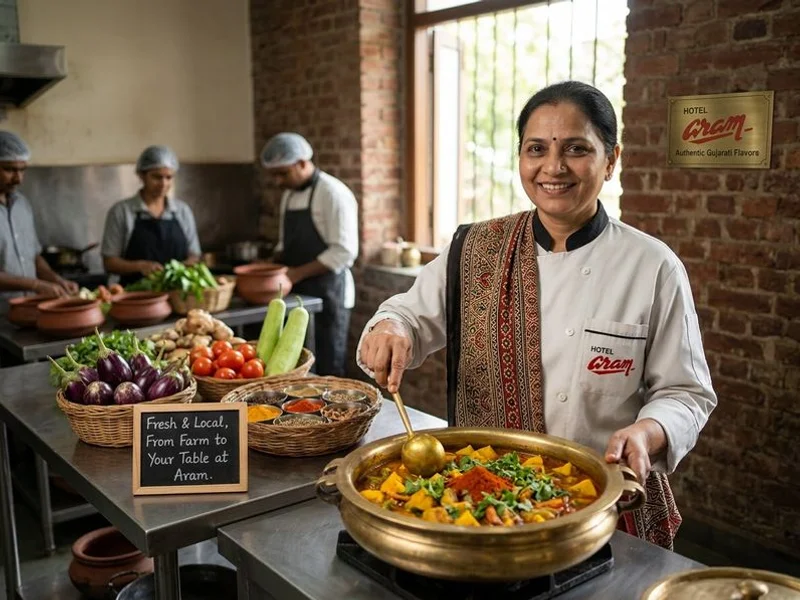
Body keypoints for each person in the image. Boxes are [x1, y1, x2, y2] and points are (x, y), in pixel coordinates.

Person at [357, 81, 717, 550]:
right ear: (521, 159)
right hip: (481, 507)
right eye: (536, 149)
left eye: (576, 148)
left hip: (601, 507)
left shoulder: (652, 266)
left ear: (611, 161)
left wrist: (648, 432)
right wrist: (391, 328)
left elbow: (686, 393)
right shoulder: (476, 249)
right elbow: (407, 313)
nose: (553, 167)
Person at [261, 132, 358, 377]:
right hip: (298, 295)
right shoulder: (289, 195)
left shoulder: (332, 193)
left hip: (329, 296)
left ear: (302, 163)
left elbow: (344, 252)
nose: (278, 181)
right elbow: (285, 244)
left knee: (327, 367)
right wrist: (267, 267)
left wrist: (295, 274)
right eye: (274, 174)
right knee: (294, 364)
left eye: (283, 173)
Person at [0, 131, 78, 315]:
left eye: (22, 170)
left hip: (29, 310)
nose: (18, 178)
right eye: (10, 169)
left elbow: (34, 257)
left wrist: (55, 280)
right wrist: (35, 284)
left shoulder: (22, 204)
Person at [101, 145, 201, 286]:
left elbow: (194, 256)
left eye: (169, 177)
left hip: (178, 294)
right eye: (157, 177)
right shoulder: (121, 212)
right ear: (142, 175)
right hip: (135, 295)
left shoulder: (182, 211)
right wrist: (140, 266)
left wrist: (178, 270)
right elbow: (109, 263)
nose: (163, 184)